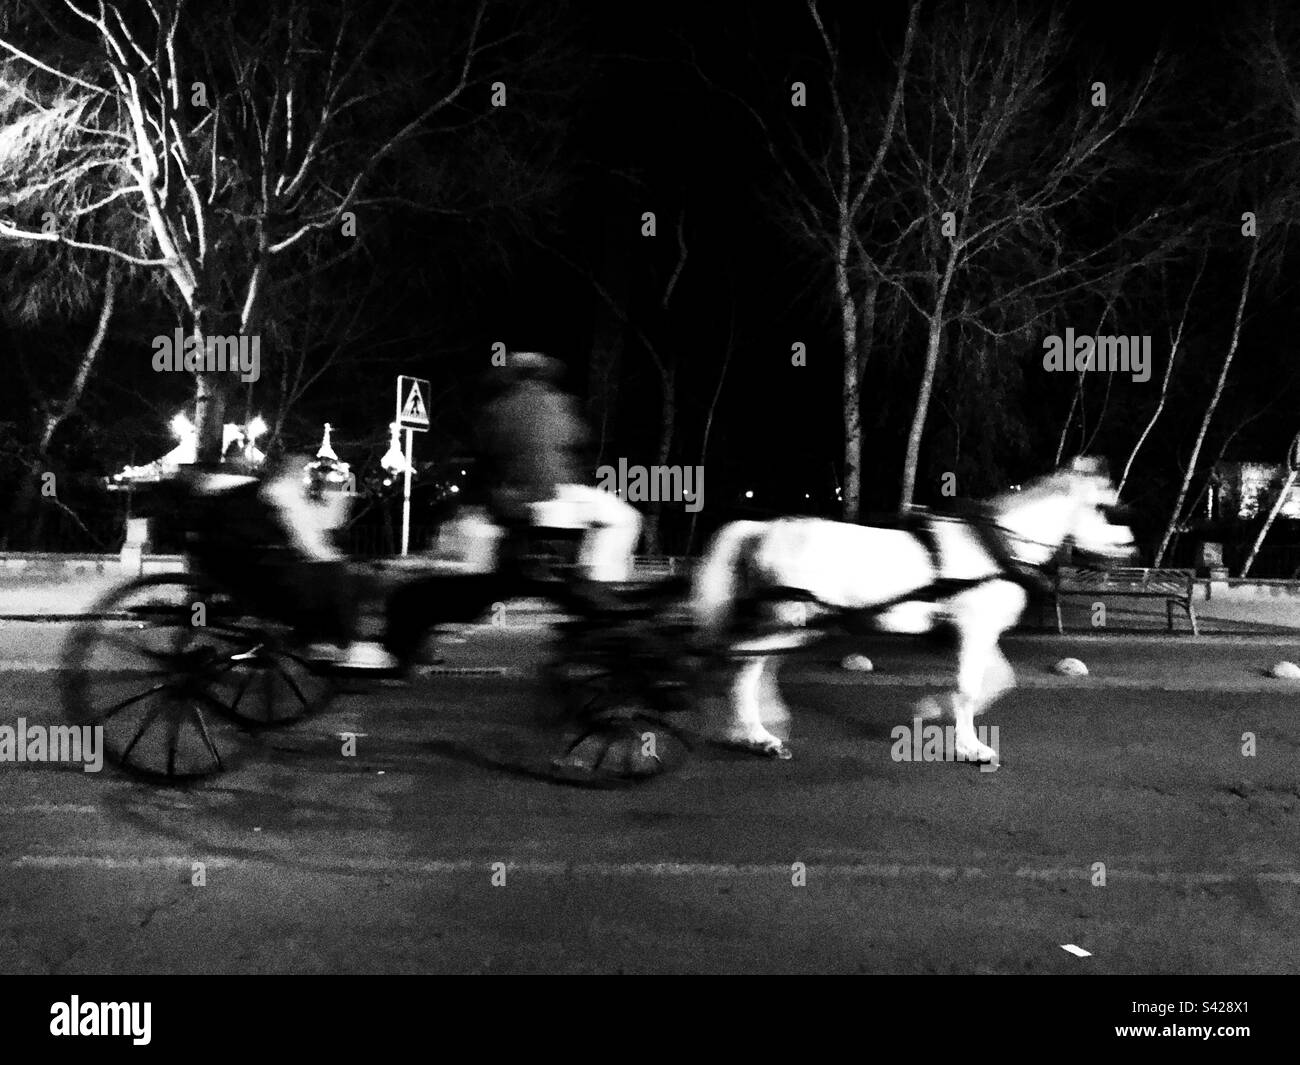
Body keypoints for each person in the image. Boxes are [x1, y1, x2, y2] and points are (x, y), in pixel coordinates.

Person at [475, 351, 641, 584]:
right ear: (543, 376)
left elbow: (486, 458)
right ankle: (598, 582)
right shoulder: (559, 404)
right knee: (625, 518)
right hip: (551, 497)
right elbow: (579, 439)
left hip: (508, 502)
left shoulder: (494, 411)